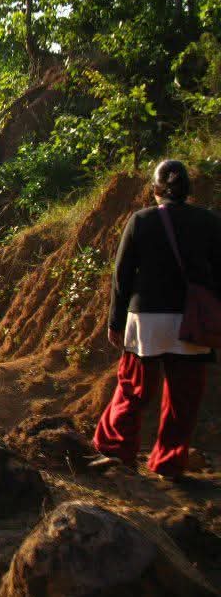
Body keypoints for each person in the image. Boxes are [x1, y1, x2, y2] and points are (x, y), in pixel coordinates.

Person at [93, 160, 221, 480]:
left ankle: (117, 450)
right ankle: (168, 462)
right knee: (183, 398)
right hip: (191, 322)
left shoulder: (141, 220)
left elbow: (122, 277)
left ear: (155, 190)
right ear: (189, 189)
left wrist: (114, 322)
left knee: (133, 389)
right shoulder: (209, 222)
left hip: (147, 321)